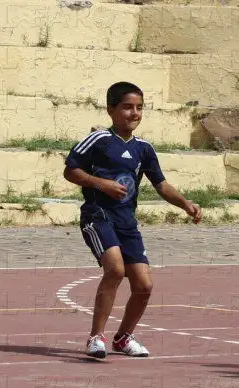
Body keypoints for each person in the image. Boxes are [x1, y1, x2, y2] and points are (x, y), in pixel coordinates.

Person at [63, 81, 203, 359]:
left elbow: (161, 185)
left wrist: (185, 203)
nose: (134, 113)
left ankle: (124, 338)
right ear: (111, 109)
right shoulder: (98, 140)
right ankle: (95, 338)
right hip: (97, 216)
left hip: (127, 222)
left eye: (139, 108)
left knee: (144, 285)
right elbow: (70, 171)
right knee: (114, 270)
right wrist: (101, 184)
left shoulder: (144, 148)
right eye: (127, 107)